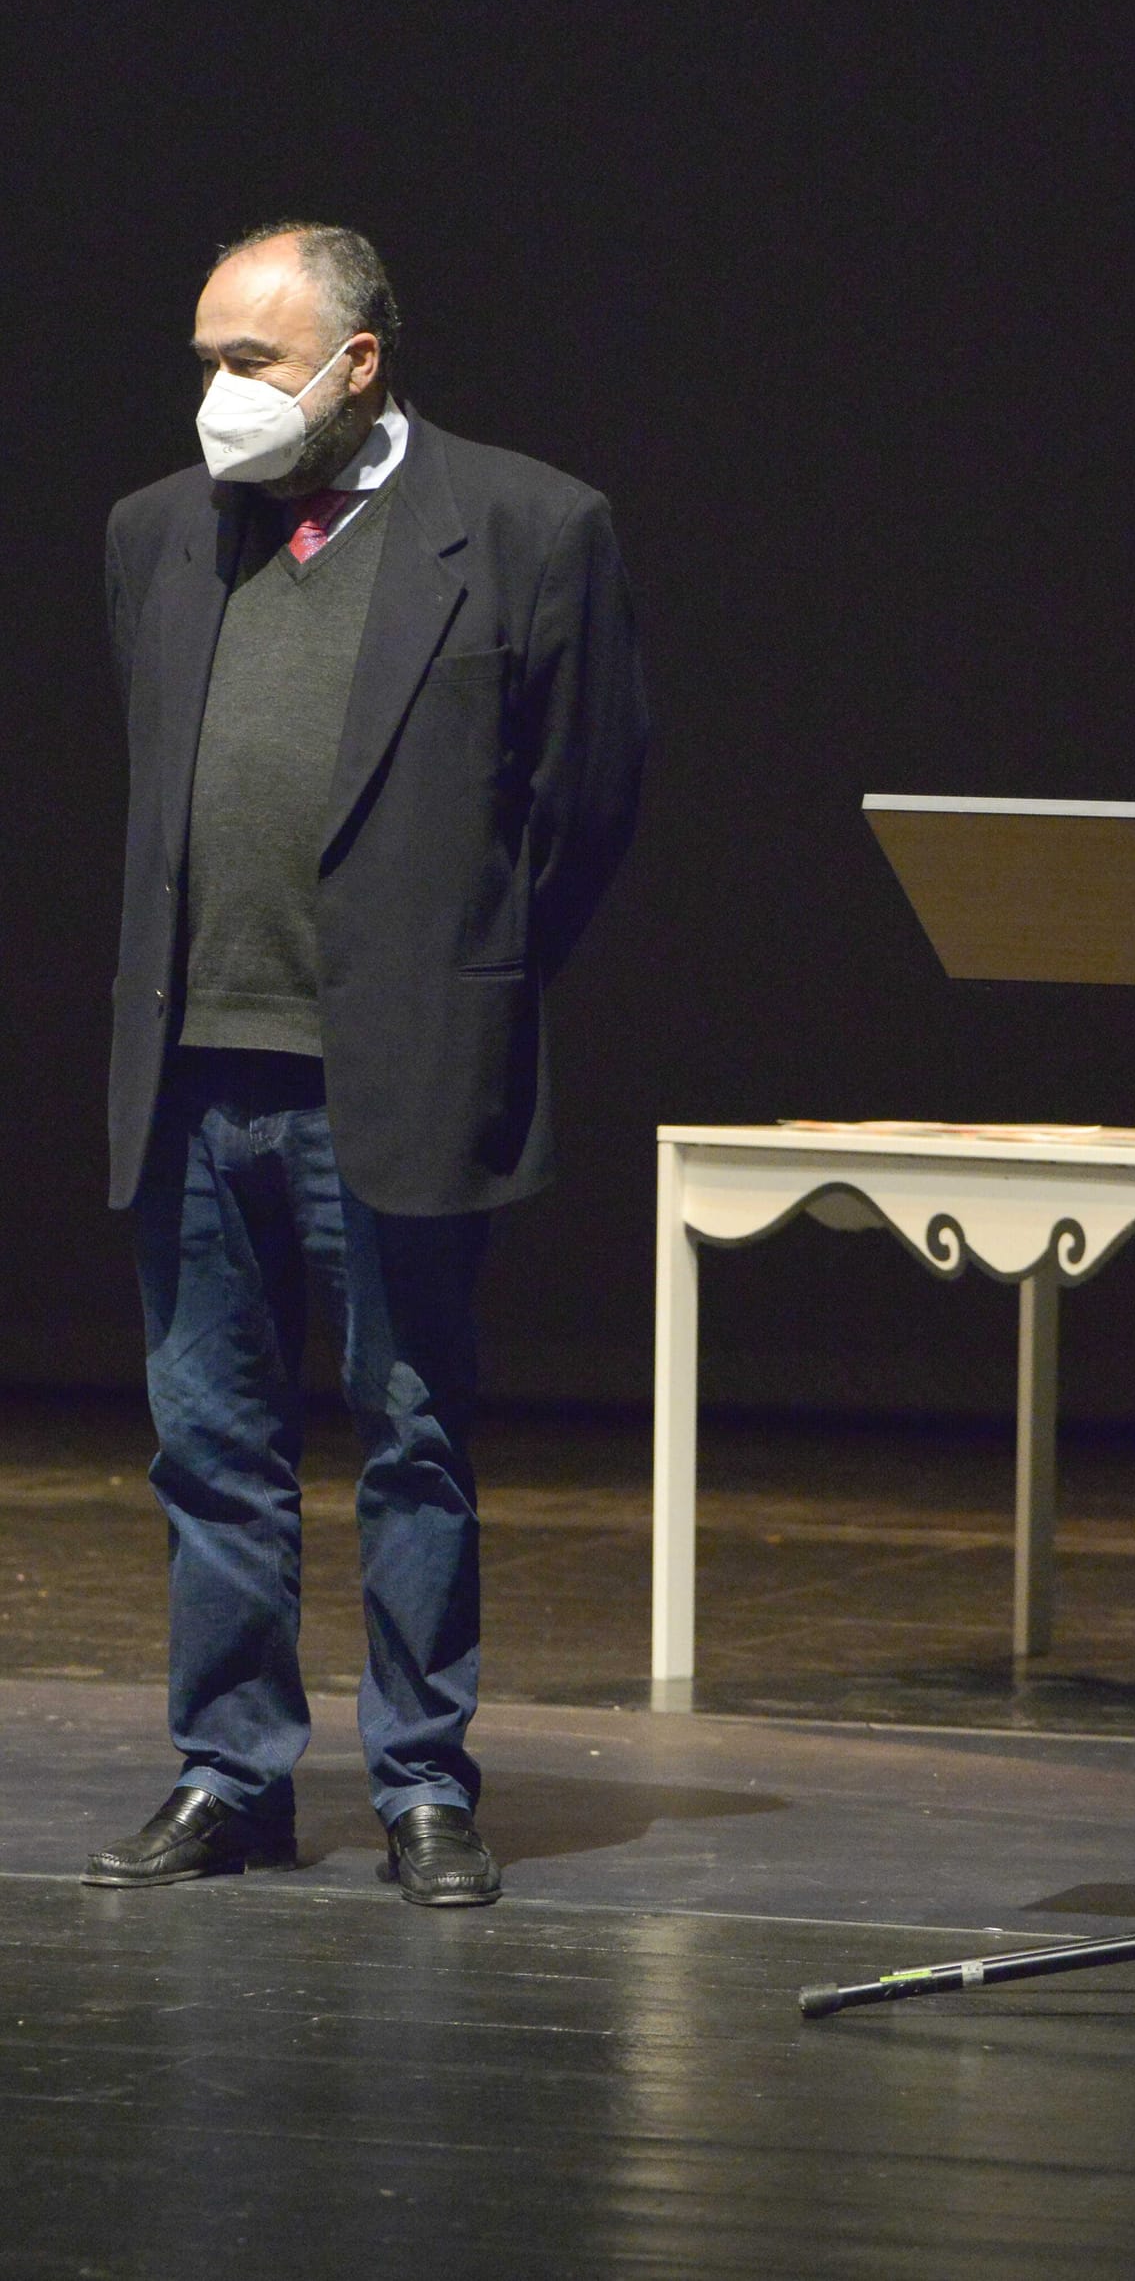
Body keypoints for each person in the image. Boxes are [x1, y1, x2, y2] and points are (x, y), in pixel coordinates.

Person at [88, 222, 649, 1906]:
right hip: (192, 1071)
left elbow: (585, 804)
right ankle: (229, 1775)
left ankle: (421, 1784)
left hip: (391, 1073)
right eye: (205, 359)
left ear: (359, 364)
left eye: (252, 362)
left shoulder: (530, 526)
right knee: (209, 1448)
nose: (219, 393)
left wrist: (461, 981)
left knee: (410, 1438)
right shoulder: (155, 534)